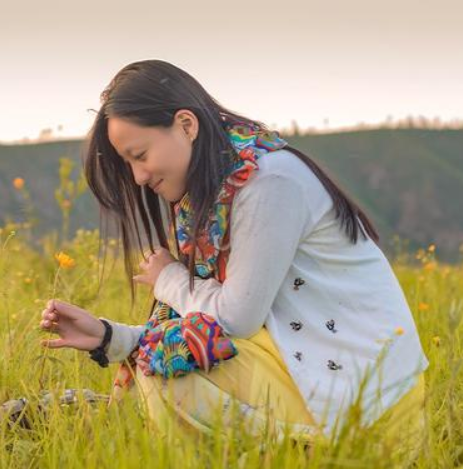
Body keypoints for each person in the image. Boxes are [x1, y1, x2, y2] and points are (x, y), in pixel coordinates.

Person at [33, 59, 429, 456]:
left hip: (370, 405)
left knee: (168, 371)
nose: (138, 177)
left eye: (140, 155)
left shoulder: (269, 182)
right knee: (160, 366)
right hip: (311, 371)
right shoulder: (222, 190)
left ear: (186, 125)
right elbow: (214, 328)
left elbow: (236, 318)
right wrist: (108, 336)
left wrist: (169, 278)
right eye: (129, 164)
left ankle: (308, 454)